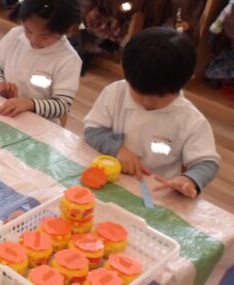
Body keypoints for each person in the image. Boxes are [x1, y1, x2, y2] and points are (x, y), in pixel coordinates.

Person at [84, 27, 219, 198]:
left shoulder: (191, 120)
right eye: (138, 93)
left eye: (159, 97)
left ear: (186, 81)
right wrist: (118, 149)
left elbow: (207, 163)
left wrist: (190, 179)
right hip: (109, 177)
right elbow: (92, 129)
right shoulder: (116, 93)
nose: (147, 103)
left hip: (155, 192)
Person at [0, 0, 83, 122]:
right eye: (28, 30)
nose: (34, 40)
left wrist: (29, 104)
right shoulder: (15, 36)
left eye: (45, 36)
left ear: (66, 30)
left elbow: (62, 105)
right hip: (4, 113)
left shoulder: (68, 59)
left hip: (39, 126)